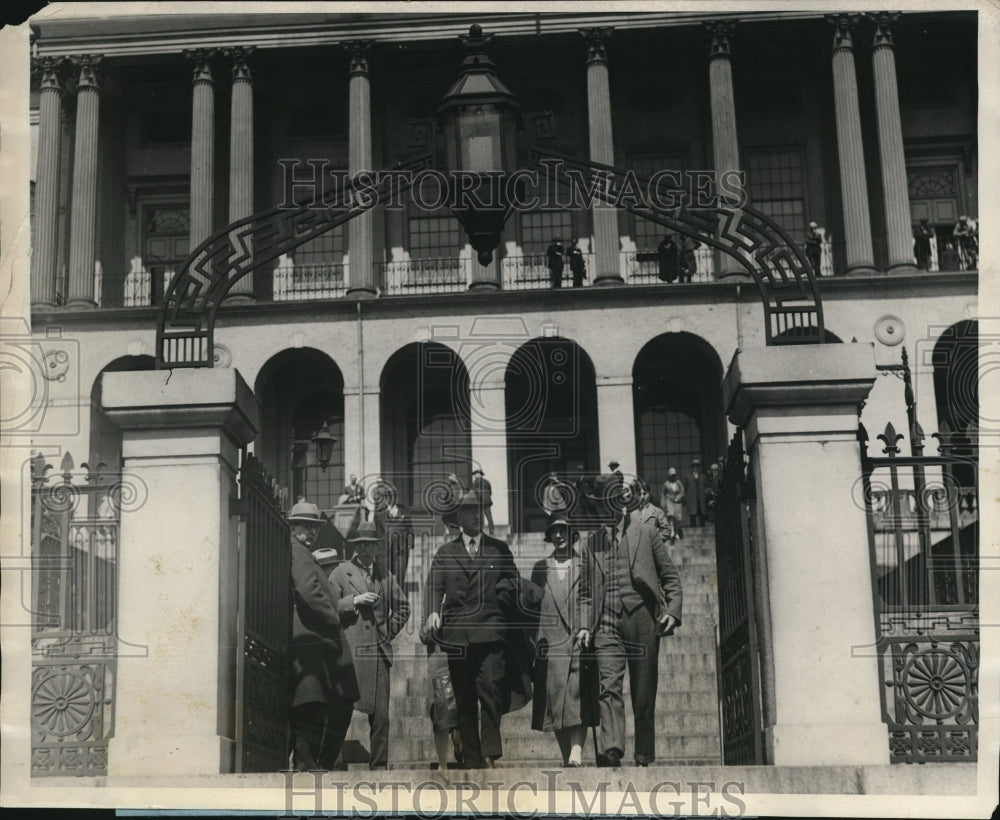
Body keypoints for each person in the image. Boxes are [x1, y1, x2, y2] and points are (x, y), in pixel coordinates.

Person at [575, 475, 683, 768]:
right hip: (606, 622)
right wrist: (585, 624)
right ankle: (612, 749)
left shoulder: (646, 533)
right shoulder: (590, 543)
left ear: (621, 503)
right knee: (608, 686)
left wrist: (672, 611)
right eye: (601, 504)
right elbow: (585, 591)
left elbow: (670, 576)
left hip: (642, 618)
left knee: (643, 693)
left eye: (611, 501)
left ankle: (644, 753)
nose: (606, 509)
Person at [424, 491, 519, 768]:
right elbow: (433, 587)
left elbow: (513, 583)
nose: (477, 515)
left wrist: (505, 594)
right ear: (458, 518)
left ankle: (489, 753)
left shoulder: (498, 549)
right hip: (457, 636)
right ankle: (472, 758)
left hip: (490, 633)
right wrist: (431, 611)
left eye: (480, 510)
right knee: (464, 698)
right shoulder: (445, 553)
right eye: (469, 511)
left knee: (490, 692)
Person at [327, 521, 410, 770]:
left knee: (381, 717)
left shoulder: (386, 575)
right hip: (350, 654)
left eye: (371, 546)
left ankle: (379, 767)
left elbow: (404, 607)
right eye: (362, 545)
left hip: (378, 655)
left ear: (377, 548)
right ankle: (327, 762)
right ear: (355, 547)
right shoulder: (341, 573)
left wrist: (387, 633)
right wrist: (355, 600)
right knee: (342, 713)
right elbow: (330, 607)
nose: (366, 550)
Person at [288, 499, 360, 771]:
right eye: (305, 526)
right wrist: (333, 615)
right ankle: (309, 762)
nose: (312, 531)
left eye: (315, 527)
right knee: (312, 701)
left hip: (318, 638)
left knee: (327, 701)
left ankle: (316, 761)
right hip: (314, 636)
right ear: (294, 527)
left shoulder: (302, 551)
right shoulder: (299, 552)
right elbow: (309, 591)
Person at [529, 515, 598, 767]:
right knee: (554, 701)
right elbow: (531, 603)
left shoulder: (583, 564)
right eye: (554, 531)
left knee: (575, 696)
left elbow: (588, 599)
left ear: (572, 533)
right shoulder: (541, 567)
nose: (559, 536)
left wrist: (584, 626)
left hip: (576, 638)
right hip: (548, 641)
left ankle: (577, 752)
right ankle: (566, 754)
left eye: (564, 530)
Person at [630, 479, 672, 545]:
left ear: (649, 494)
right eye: (639, 494)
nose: (642, 496)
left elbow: (666, 530)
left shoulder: (657, 511)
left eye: (644, 494)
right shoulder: (633, 514)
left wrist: (655, 541)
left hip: (651, 550)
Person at [660, 467, 686, 542]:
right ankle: (672, 531)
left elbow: (682, 491)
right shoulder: (666, 483)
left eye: (674, 475)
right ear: (669, 475)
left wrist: (678, 497)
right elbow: (663, 494)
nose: (673, 477)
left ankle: (677, 532)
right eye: (671, 475)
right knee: (670, 515)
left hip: (677, 502)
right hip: (669, 501)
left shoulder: (678, 482)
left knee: (678, 518)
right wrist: (663, 504)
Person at [685, 458, 709, 528]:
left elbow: (707, 485)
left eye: (697, 466)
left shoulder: (703, 476)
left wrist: (705, 492)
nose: (696, 468)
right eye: (694, 466)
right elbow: (685, 487)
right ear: (692, 467)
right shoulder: (688, 477)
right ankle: (693, 524)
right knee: (693, 511)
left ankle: (702, 523)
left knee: (701, 509)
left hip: (701, 496)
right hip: (692, 496)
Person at [471, 468, 495, 534]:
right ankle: (492, 530)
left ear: (479, 474)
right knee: (489, 516)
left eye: (475, 474)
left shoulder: (476, 482)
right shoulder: (487, 482)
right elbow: (490, 492)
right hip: (487, 501)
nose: (474, 476)